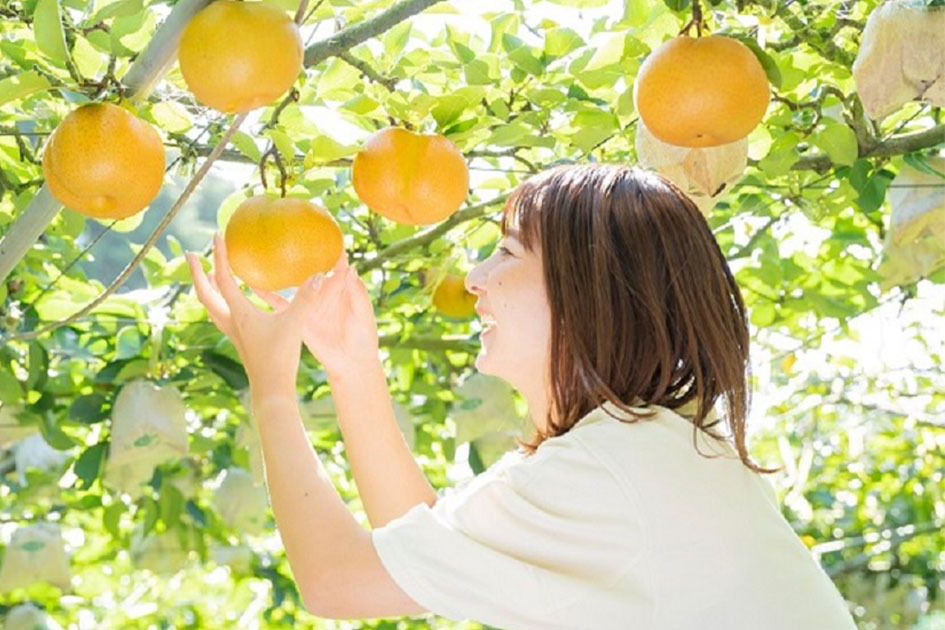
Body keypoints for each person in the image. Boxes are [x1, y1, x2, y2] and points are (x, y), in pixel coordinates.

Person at [183, 164, 857, 629]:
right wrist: (352, 368)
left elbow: (338, 581)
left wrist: (270, 386)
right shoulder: (637, 451)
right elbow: (421, 554)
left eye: (506, 253)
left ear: (583, 286)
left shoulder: (609, 469)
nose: (473, 278)